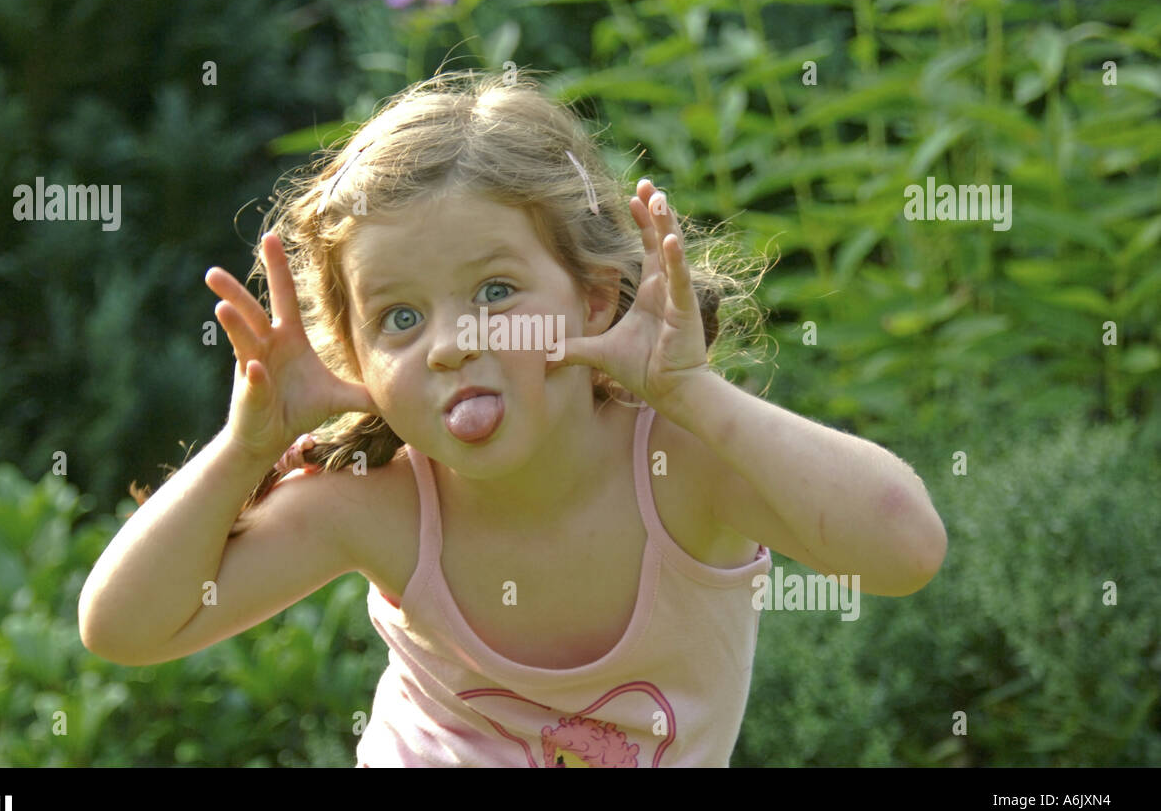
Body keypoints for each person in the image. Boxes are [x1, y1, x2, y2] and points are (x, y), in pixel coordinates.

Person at [78, 68, 948, 767]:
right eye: (400, 319)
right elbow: (122, 629)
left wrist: (693, 395)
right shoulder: (376, 504)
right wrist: (246, 449)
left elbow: (906, 549)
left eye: (495, 292)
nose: (452, 345)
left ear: (595, 293)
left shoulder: (683, 475)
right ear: (358, 362)